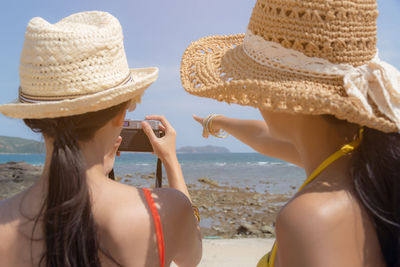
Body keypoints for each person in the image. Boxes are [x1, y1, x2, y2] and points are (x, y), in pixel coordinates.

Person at [180, 0, 400, 266]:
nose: (252, 99)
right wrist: (219, 121)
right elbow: (265, 138)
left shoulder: (311, 219)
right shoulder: (363, 153)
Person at [0, 11, 201, 267]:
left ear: (34, 119)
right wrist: (170, 160)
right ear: (121, 113)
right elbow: (191, 258)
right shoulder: (166, 213)